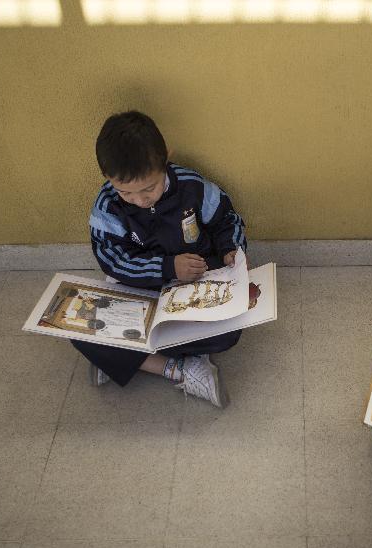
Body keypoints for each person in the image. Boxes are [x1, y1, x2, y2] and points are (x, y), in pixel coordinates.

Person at [74, 110, 248, 408]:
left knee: (229, 333)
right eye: (126, 192)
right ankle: (179, 368)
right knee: (79, 328)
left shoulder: (192, 187)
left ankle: (121, 356)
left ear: (165, 158)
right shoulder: (108, 207)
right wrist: (167, 267)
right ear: (107, 177)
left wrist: (230, 248)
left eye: (149, 188)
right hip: (140, 289)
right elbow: (112, 260)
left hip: (191, 290)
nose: (141, 200)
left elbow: (227, 219)